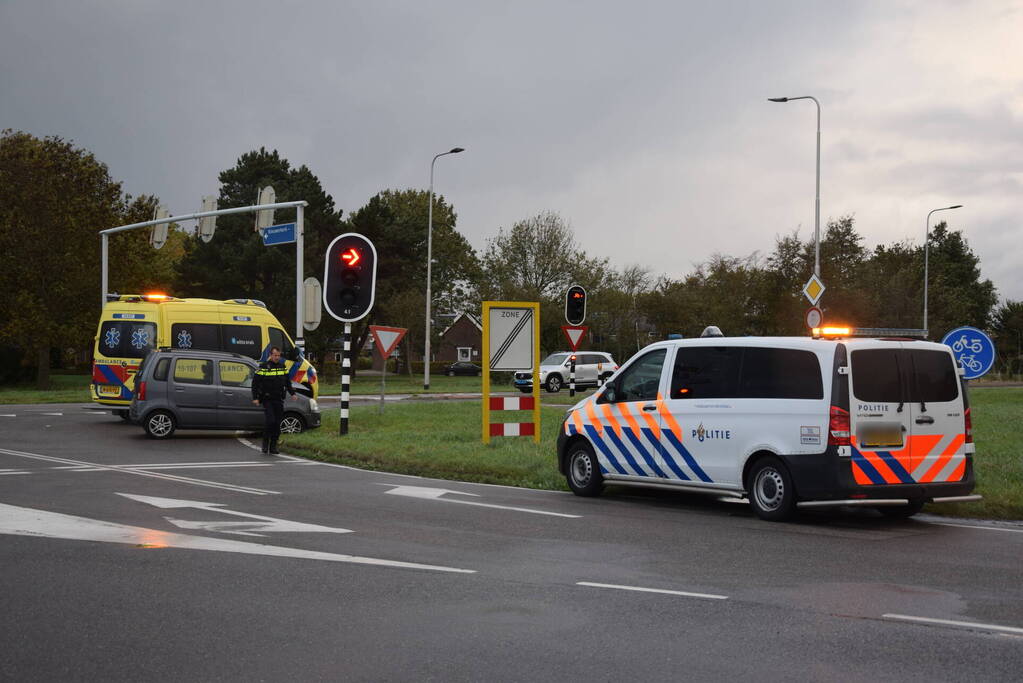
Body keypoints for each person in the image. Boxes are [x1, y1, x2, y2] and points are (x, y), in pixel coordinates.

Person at [252, 346, 298, 454]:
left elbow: (287, 382)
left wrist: (293, 393)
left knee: (277, 423)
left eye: (278, 355)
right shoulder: (263, 366)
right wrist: (255, 398)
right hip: (267, 399)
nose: (277, 357)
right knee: (270, 421)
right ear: (270, 355)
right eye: (275, 355)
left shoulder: (282, 367)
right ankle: (265, 444)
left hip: (278, 399)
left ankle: (273, 446)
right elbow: (255, 383)